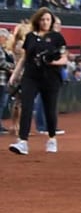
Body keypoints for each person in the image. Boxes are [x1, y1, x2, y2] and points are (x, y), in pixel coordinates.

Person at [10, 8, 67, 155]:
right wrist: (15, 75)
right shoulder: (30, 37)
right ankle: (23, 141)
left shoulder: (57, 37)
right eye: (42, 19)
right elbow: (24, 58)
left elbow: (64, 58)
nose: (45, 22)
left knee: (50, 109)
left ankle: (52, 139)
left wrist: (51, 62)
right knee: (26, 106)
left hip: (51, 77)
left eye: (48, 19)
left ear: (51, 21)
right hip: (31, 76)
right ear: (37, 20)